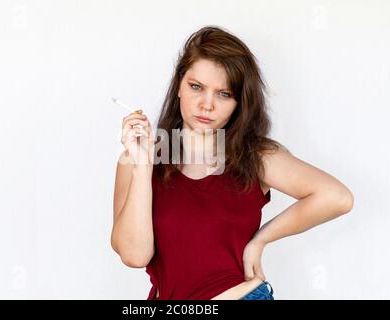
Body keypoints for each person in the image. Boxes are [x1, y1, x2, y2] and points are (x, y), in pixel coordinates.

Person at [111, 25, 354, 300]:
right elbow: (134, 255)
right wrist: (144, 165)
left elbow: (336, 197)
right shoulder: (136, 161)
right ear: (179, 85)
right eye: (196, 87)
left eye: (224, 94)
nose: (207, 104)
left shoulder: (255, 156)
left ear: (240, 101)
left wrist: (260, 239)